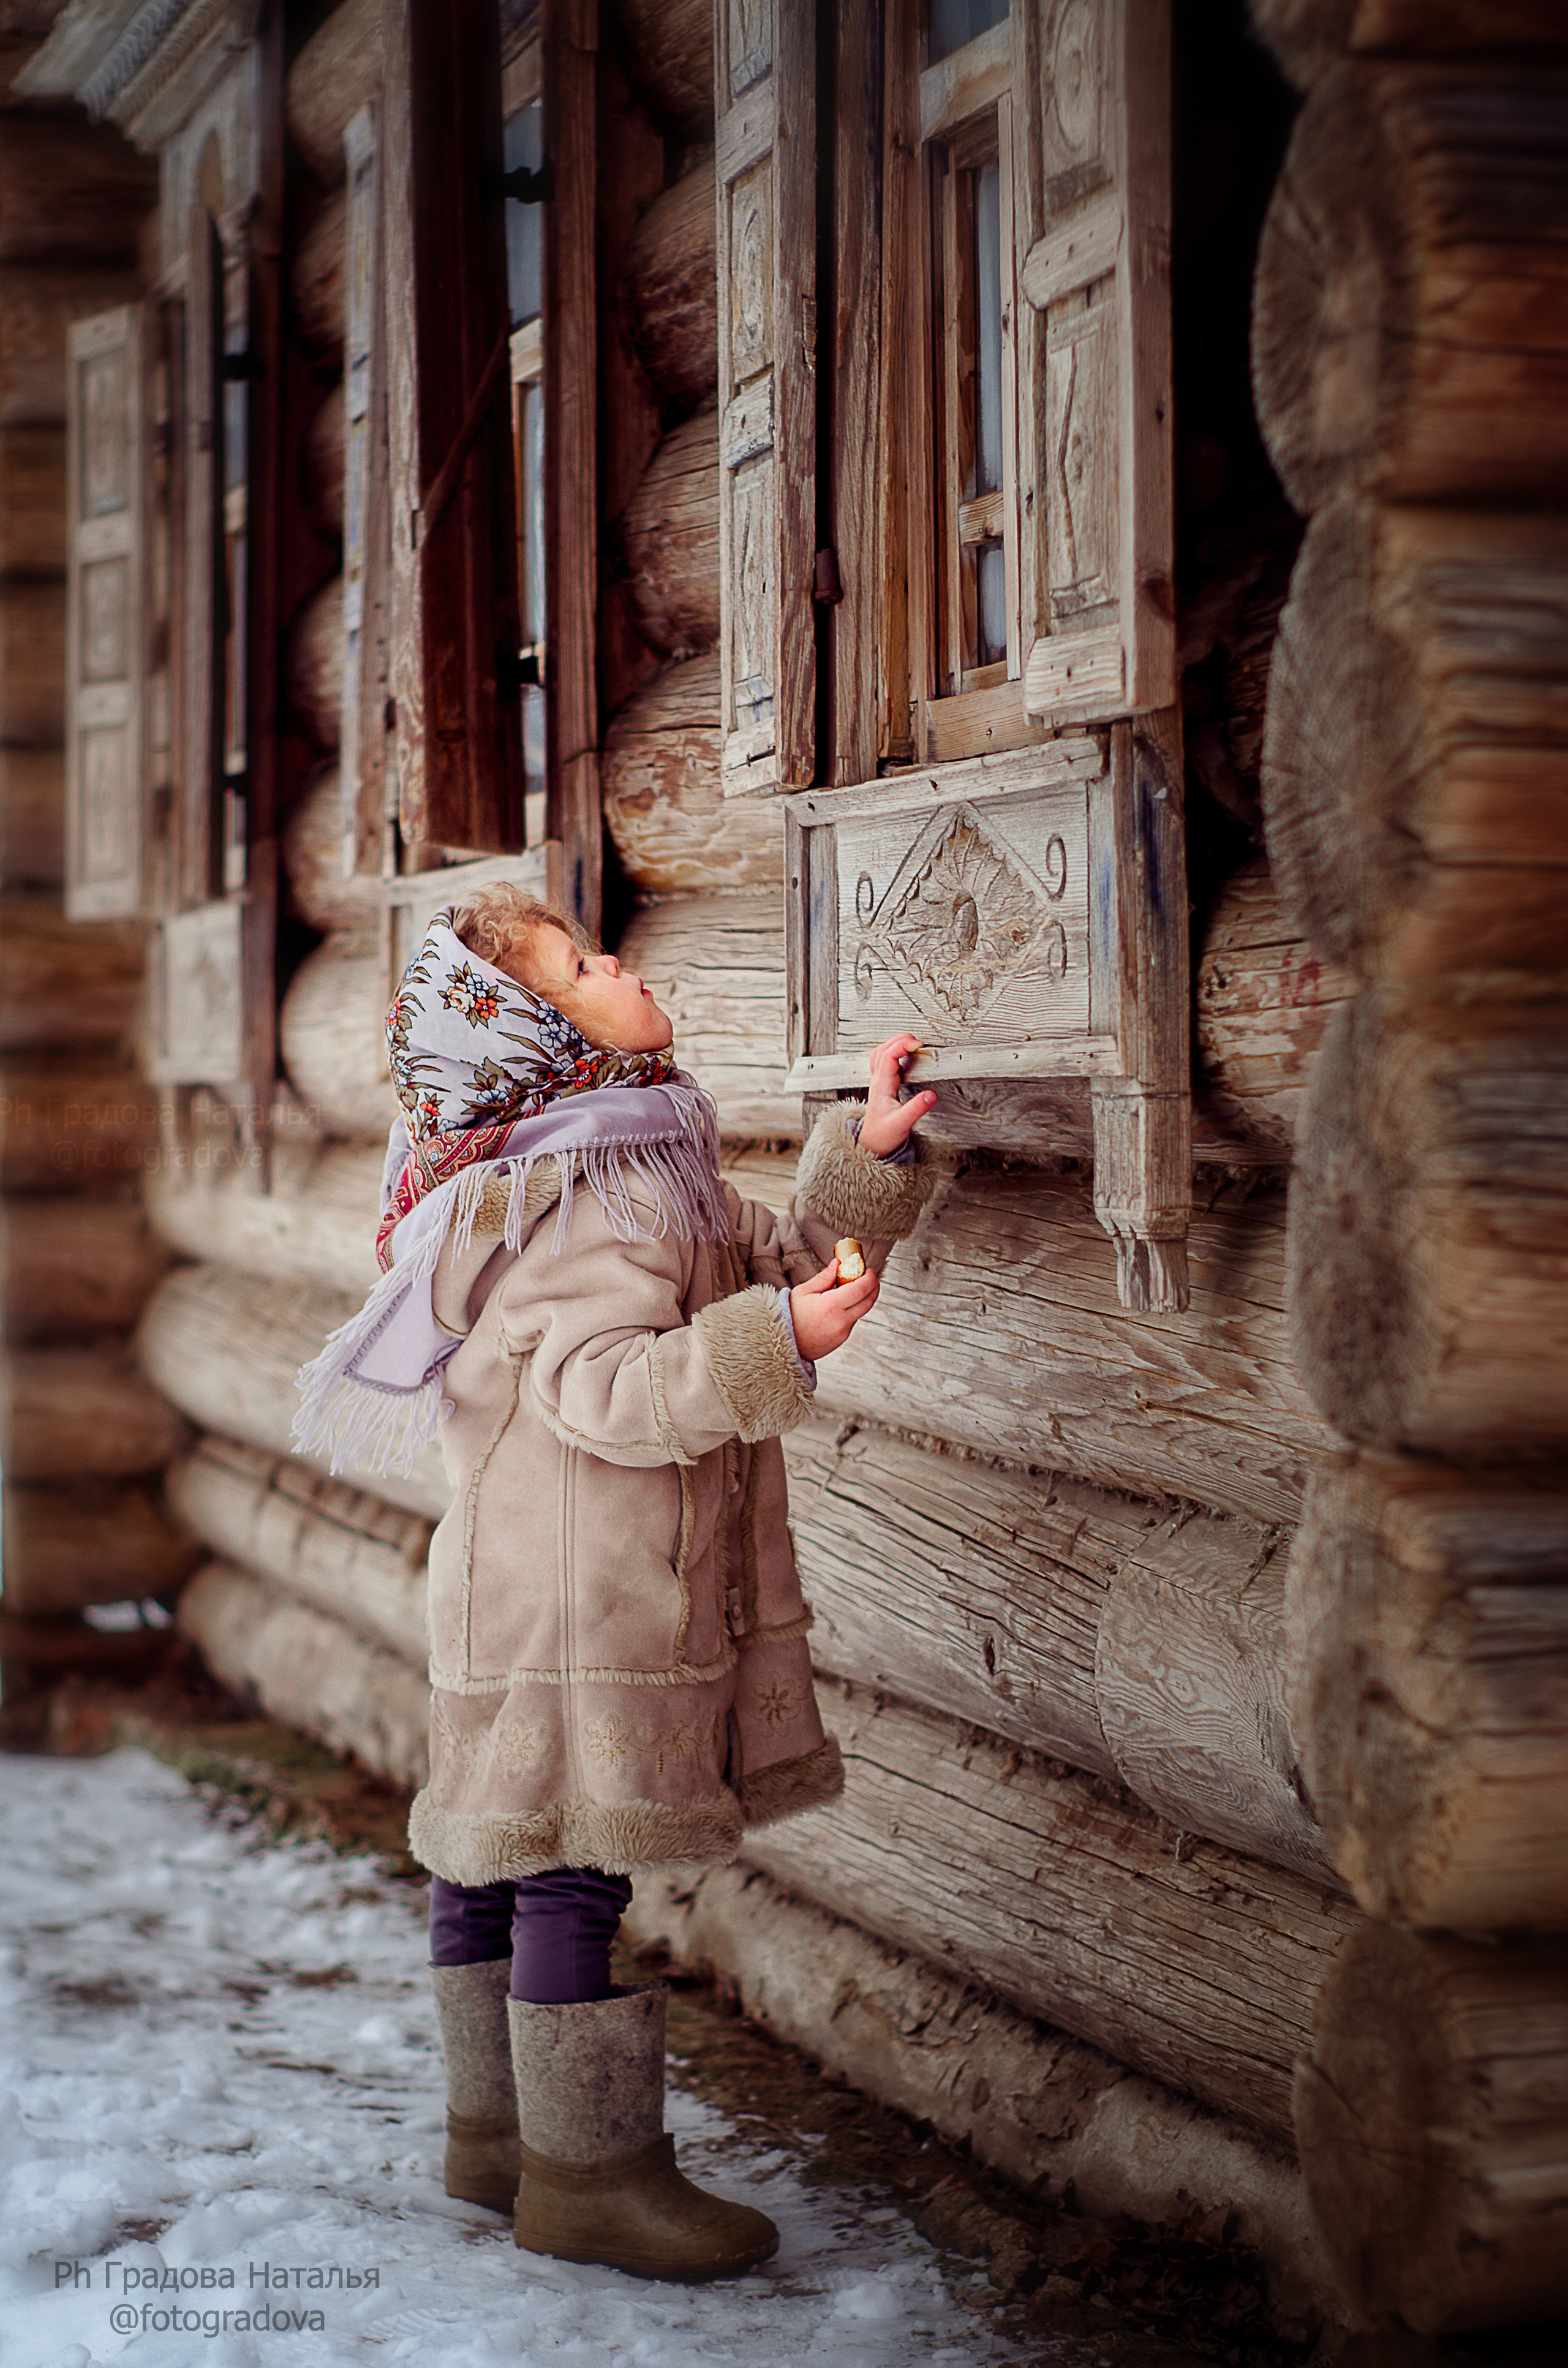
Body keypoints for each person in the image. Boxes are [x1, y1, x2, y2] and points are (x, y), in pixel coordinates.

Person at [293, 882, 937, 2283]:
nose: (620, 963)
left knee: (493, 1848)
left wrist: (861, 1162)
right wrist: (776, 1338)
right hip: (587, 1596)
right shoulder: (581, 1196)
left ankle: (497, 2139)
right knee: (570, 1870)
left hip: (524, 1585)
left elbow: (758, 1255)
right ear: (542, 1037)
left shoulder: (616, 1151)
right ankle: (588, 2177)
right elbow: (605, 1389)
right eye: (582, 966)